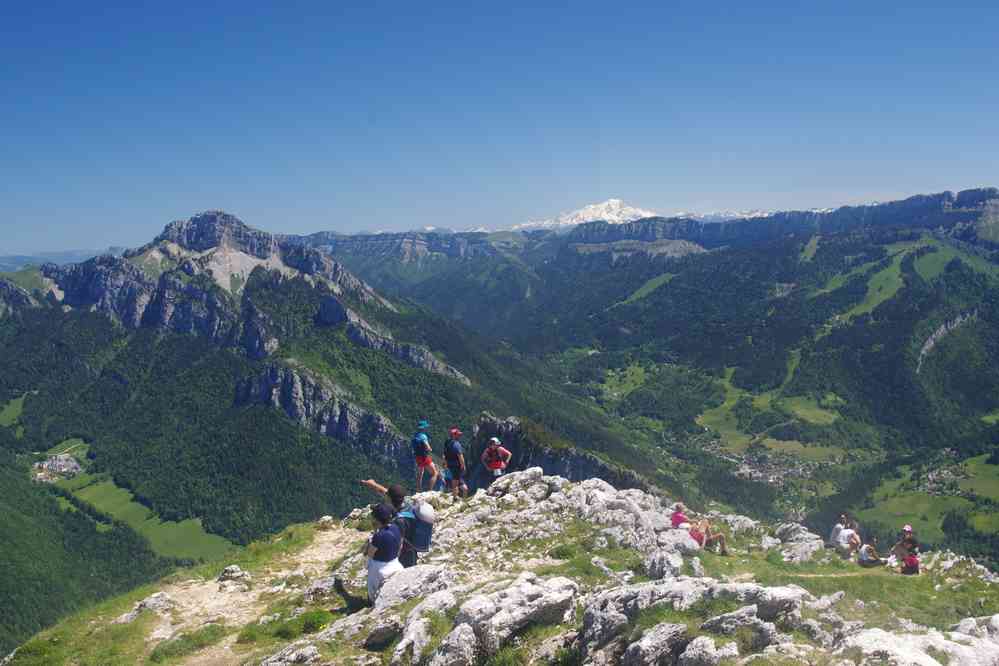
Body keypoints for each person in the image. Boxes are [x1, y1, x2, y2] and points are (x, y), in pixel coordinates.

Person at [360, 479, 420, 568]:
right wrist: (373, 484)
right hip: (413, 551)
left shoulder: (397, 520)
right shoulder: (408, 503)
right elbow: (384, 491)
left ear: (390, 498)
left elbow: (400, 543)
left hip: (404, 556)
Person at [365, 503, 404, 602]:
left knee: (372, 589)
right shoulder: (396, 528)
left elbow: (370, 554)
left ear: (377, 519)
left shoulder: (378, 536)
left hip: (379, 568)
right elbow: (400, 545)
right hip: (395, 562)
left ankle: (371, 603)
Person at [411, 420, 438, 492]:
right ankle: (430, 490)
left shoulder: (415, 435)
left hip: (417, 457)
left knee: (420, 474)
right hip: (424, 457)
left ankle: (418, 490)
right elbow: (428, 447)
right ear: (424, 428)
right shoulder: (423, 436)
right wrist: (430, 449)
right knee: (435, 473)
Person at [443, 427, 468, 498]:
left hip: (449, 466)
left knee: (462, 486)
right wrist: (463, 467)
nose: (459, 436)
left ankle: (461, 499)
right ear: (454, 435)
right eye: (458, 435)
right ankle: (455, 500)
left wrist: (445, 464)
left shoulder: (447, 442)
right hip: (456, 467)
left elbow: (444, 454)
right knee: (455, 485)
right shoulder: (456, 444)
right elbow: (460, 457)